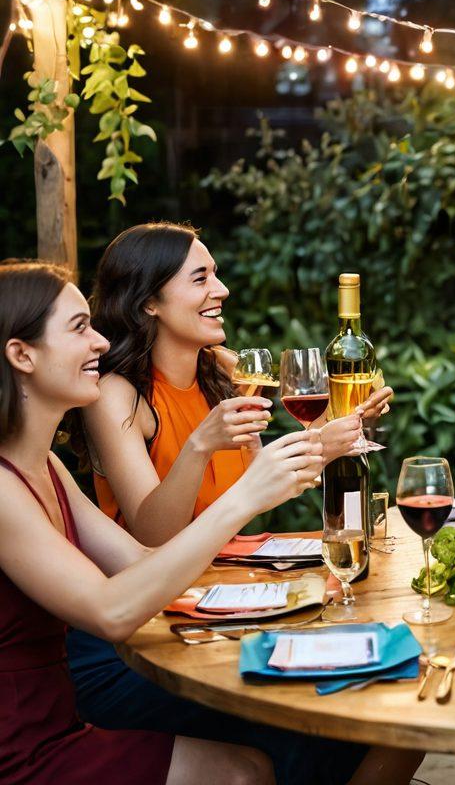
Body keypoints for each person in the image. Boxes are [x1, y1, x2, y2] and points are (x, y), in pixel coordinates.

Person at [67, 223, 416, 785]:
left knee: (382, 692)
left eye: (217, 273)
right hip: (142, 632)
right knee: (319, 720)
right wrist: (201, 445)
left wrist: (333, 435)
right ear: (149, 301)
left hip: (224, 601)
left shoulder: (226, 372)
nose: (222, 289)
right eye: (201, 277)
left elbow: (259, 488)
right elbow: (152, 533)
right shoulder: (117, 394)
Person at [0, 259, 323, 784]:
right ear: (22, 354)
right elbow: (111, 611)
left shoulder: (45, 465)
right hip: (21, 751)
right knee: (245, 769)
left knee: (257, 758)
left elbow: (143, 560)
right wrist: (242, 499)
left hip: (58, 722)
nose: (101, 343)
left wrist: (286, 600)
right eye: (80, 328)